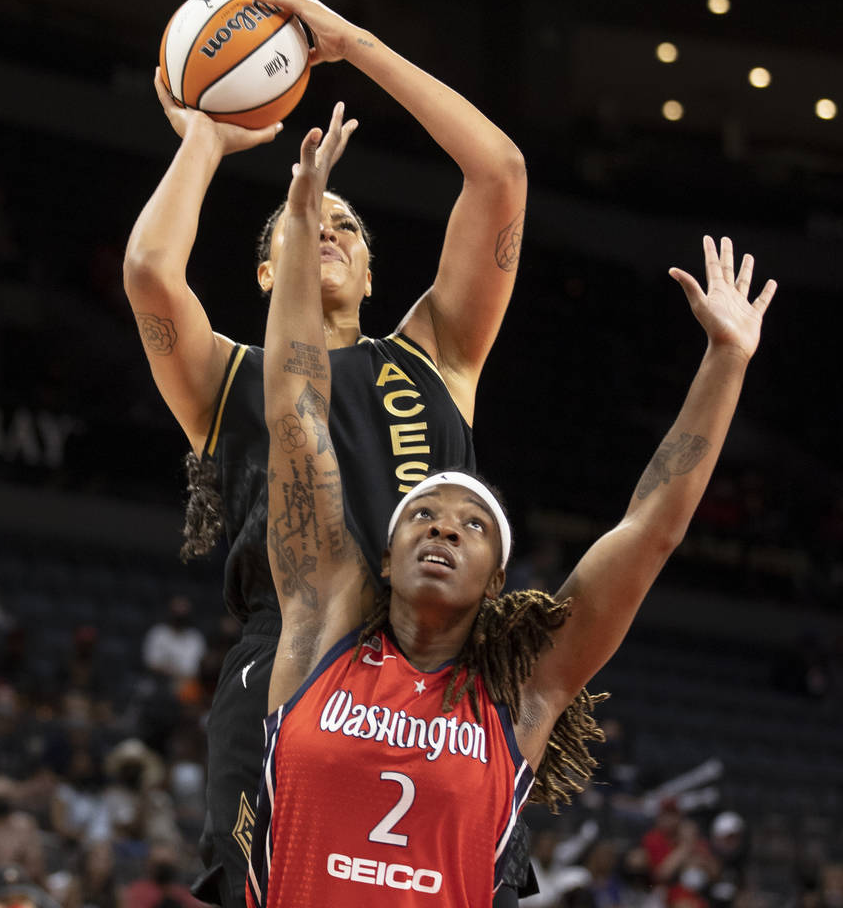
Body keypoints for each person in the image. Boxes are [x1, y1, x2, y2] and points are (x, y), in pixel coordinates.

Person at [248, 108, 776, 906]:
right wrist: (298, 220)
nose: (443, 529)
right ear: (381, 559)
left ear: (496, 579)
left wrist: (726, 362)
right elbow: (296, 409)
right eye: (423, 517)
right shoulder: (319, 629)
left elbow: (649, 529)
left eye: (470, 527)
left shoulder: (521, 695)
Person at [123, 0, 528, 906]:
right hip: (293, 652)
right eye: (309, 224)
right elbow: (150, 273)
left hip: (435, 660)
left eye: (350, 224)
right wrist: (203, 141)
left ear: (377, 272)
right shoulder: (234, 375)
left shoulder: (438, 354)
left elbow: (499, 171)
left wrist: (351, 46)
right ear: (271, 273)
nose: (333, 229)